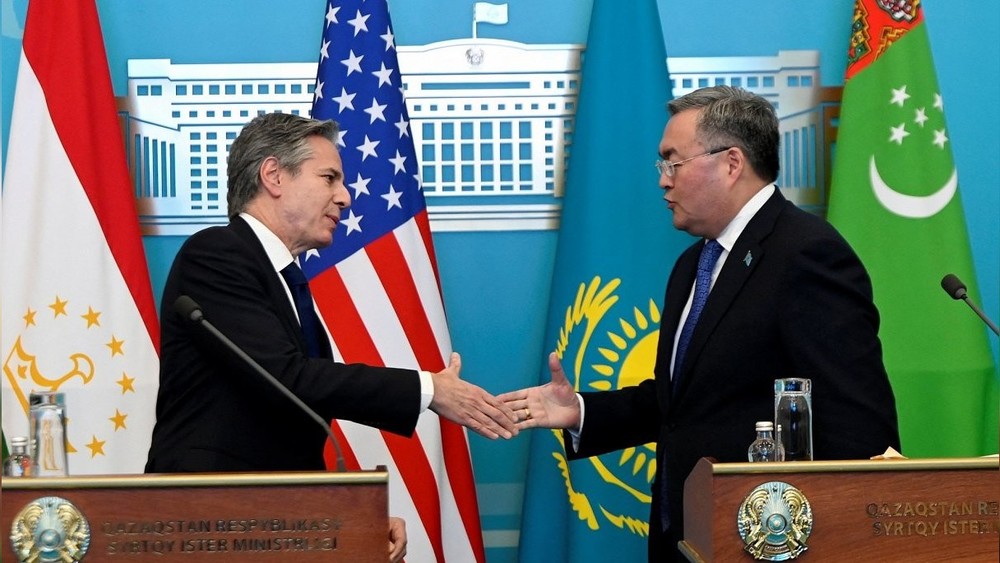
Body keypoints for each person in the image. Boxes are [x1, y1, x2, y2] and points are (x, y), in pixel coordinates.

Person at [500, 86, 900, 561]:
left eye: (674, 162)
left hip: (769, 542)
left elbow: (860, 421)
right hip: (686, 538)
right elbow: (683, 404)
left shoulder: (806, 253)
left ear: (731, 163)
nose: (663, 181)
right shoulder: (694, 264)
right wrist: (581, 412)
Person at [145, 112, 518, 562]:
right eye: (329, 178)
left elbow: (289, 425)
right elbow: (288, 378)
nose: (345, 196)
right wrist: (429, 389)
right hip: (205, 525)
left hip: (266, 525)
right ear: (273, 175)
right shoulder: (217, 255)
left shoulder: (283, 276)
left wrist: (347, 517)